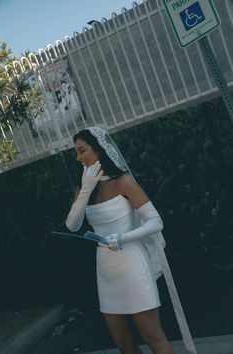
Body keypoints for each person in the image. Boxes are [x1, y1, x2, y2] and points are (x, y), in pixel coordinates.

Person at [66, 127, 196, 354]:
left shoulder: (123, 181)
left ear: (98, 149)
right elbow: (72, 225)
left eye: (82, 150)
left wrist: (123, 237)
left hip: (132, 266)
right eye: (76, 153)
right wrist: (86, 189)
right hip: (106, 271)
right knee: (122, 342)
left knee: (152, 336)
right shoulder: (84, 186)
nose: (78, 158)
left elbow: (156, 222)